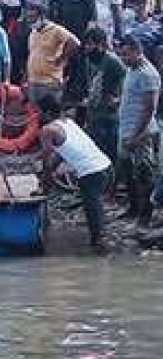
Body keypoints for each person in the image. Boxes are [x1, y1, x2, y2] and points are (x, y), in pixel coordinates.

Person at [37, 96, 112, 252]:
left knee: (93, 211)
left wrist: (44, 187)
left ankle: (100, 249)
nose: (37, 115)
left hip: (91, 173)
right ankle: (98, 244)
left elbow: (46, 163)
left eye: (39, 112)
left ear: (47, 113)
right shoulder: (69, 122)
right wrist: (52, 169)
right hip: (106, 167)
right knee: (95, 208)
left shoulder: (47, 130)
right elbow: (61, 152)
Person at [117, 38, 160, 227]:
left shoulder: (147, 74)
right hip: (126, 129)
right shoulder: (131, 69)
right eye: (121, 54)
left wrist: (136, 135)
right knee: (127, 170)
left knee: (144, 173)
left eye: (126, 54)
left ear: (137, 51)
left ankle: (145, 216)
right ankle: (133, 208)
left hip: (140, 132)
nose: (123, 58)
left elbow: (149, 108)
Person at [24, 2, 80, 109]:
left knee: (49, 115)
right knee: (34, 117)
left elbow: (74, 43)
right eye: (29, 17)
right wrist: (26, 78)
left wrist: (62, 58)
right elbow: (31, 55)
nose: (30, 20)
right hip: (33, 81)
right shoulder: (33, 33)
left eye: (33, 17)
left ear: (42, 16)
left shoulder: (56, 30)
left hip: (49, 82)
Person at [82, 28, 125, 163]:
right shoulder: (90, 59)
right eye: (86, 44)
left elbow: (126, 82)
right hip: (95, 112)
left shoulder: (113, 62)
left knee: (110, 148)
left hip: (110, 115)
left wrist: (118, 100)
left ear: (101, 44)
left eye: (90, 44)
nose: (87, 47)